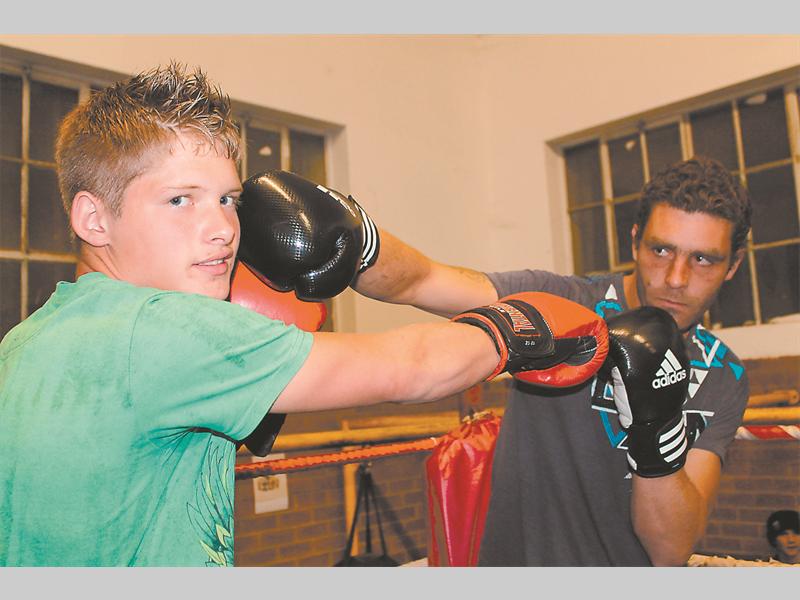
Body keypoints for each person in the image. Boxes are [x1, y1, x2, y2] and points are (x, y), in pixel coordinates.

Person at [0, 63, 607, 567]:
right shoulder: (166, 330)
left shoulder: (26, 341)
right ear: (93, 219)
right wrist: (522, 323)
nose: (222, 228)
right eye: (180, 199)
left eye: (227, 199)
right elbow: (415, 368)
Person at [247, 155, 752, 566]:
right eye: (661, 251)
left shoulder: (722, 375)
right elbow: (423, 281)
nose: (676, 278)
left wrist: (656, 430)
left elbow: (670, 550)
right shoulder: (564, 304)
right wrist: (360, 239)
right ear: (635, 239)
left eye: (702, 259)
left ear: (733, 266)